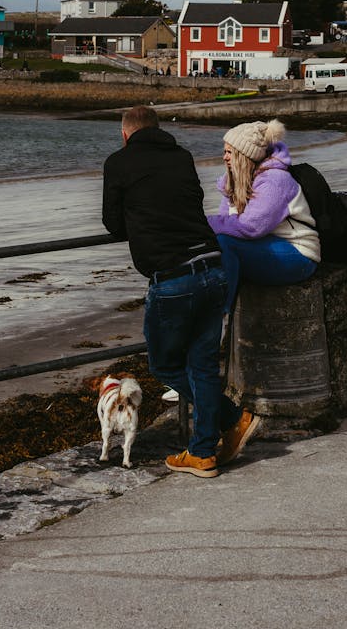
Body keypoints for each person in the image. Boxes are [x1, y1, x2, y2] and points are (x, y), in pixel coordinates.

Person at [102, 105, 259, 479]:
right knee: (202, 364)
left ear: (126, 135)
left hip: (173, 277)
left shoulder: (119, 163)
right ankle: (203, 451)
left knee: (165, 365)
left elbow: (112, 224)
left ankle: (232, 419)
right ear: (158, 129)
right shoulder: (182, 156)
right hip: (213, 265)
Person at [206, 119, 320, 313]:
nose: (224, 157)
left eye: (229, 152)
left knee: (224, 242)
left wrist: (204, 223)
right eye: (224, 151)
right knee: (217, 243)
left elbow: (250, 227)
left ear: (245, 155)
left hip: (299, 253)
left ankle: (222, 312)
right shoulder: (235, 183)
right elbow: (226, 221)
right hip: (267, 246)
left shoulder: (275, 181)